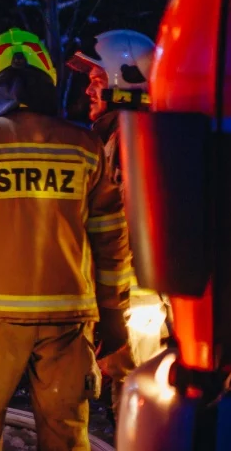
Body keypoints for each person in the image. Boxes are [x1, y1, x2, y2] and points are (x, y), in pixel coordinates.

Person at [0, 28, 133, 451]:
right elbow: (110, 240)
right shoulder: (85, 146)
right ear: (46, 81)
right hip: (68, 320)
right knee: (66, 435)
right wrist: (114, 310)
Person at [67, 29, 170, 423]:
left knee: (136, 393)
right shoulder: (122, 133)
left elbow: (125, 221)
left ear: (124, 80)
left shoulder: (129, 138)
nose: (89, 92)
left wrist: (112, 304)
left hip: (135, 296)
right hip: (134, 293)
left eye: (96, 82)